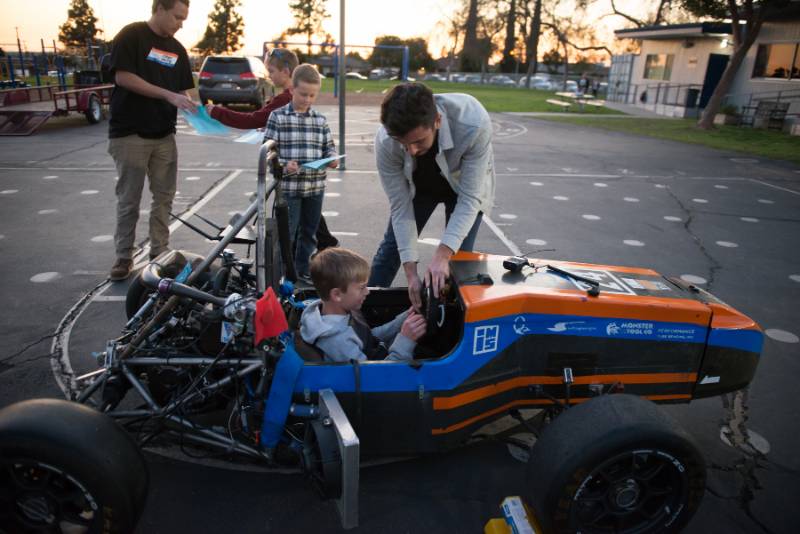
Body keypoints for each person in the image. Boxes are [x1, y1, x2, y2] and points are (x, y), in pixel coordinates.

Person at [368, 83, 495, 310]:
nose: (411, 151)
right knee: (391, 249)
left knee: (458, 263)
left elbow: (469, 198)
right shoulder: (386, 141)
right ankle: (365, 310)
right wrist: (410, 274)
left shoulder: (473, 122)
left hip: (462, 185)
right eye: (403, 143)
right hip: (419, 185)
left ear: (437, 120)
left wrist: (443, 255)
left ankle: (449, 323)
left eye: (418, 141)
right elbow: (400, 206)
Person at [205, 48, 338, 251]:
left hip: (303, 180)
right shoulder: (283, 102)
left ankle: (324, 251)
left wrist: (218, 112)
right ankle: (324, 249)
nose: (269, 75)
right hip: (296, 178)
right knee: (306, 224)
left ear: (286, 72)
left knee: (301, 226)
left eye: (272, 71)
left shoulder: (288, 99)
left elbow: (252, 119)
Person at [106, 0, 195, 281]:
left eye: (184, 19)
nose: (180, 24)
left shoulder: (177, 49)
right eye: (177, 17)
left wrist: (197, 109)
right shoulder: (132, 36)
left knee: (164, 197)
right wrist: (168, 95)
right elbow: (123, 77)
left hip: (164, 135)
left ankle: (160, 252)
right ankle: (124, 257)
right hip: (130, 133)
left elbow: (183, 89)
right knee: (129, 199)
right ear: (159, 9)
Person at [263, 64, 337, 280]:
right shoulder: (278, 117)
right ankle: (282, 274)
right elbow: (268, 152)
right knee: (287, 234)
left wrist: (332, 159)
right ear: (292, 90)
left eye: (312, 95)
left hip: (315, 186)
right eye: (303, 94)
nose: (307, 99)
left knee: (310, 233)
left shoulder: (320, 120)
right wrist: (285, 165)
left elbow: (329, 147)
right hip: (289, 188)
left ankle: (302, 271)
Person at [300, 248, 427, 362]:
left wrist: (403, 320)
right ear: (337, 295)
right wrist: (405, 340)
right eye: (361, 288)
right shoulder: (338, 342)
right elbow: (376, 380)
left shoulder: (339, 311)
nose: (367, 291)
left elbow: (366, 337)